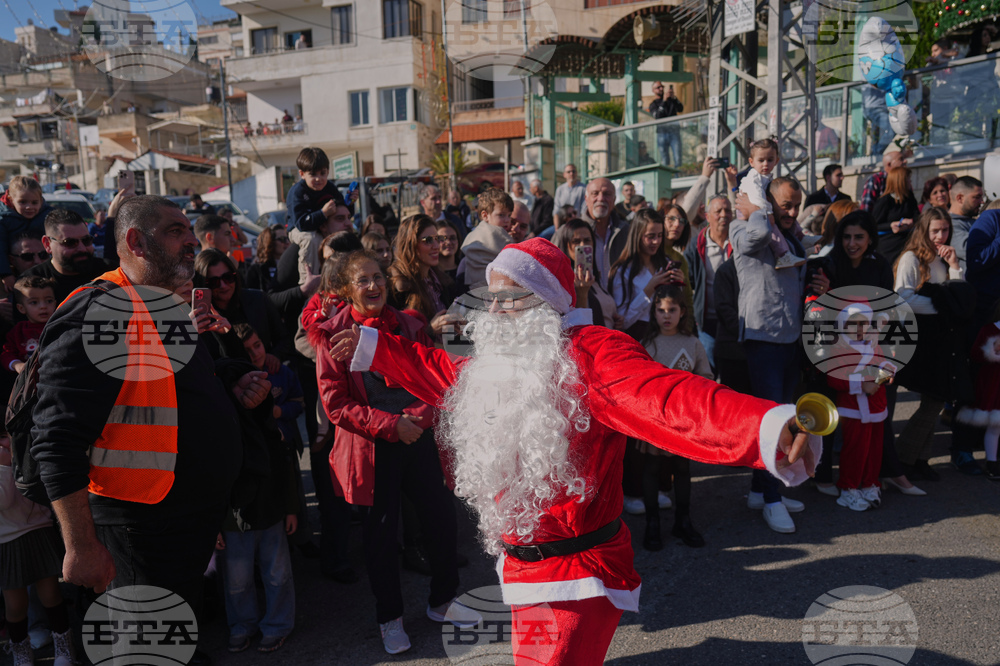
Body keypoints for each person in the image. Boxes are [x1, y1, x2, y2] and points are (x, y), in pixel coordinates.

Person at [326, 237, 818, 665]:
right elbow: (438, 371)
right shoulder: (496, 359)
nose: (493, 311)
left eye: (508, 298)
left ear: (545, 300)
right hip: (522, 568)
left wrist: (765, 426)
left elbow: (668, 399)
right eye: (489, 299)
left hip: (575, 577)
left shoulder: (591, 353)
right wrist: (373, 347)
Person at [31, 195, 270, 665]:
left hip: (182, 523)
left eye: (189, 230)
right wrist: (80, 545)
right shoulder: (98, 315)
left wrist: (232, 381)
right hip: (138, 531)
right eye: (176, 231)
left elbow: (181, 384)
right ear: (136, 241)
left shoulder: (161, 305)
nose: (191, 242)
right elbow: (56, 438)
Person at [315, 250, 474, 654]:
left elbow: (432, 376)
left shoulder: (409, 323)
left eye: (379, 277)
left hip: (417, 438)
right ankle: (390, 618)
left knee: (441, 521)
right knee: (381, 539)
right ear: (347, 289)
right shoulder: (332, 334)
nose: (374, 285)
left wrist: (417, 419)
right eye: (364, 280)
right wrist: (390, 426)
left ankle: (442, 600)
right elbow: (335, 404)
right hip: (373, 450)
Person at [732, 177, 828, 533]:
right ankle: (772, 500)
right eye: (785, 204)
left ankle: (762, 490)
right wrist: (758, 211)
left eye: (796, 204)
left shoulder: (788, 235)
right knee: (773, 425)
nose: (792, 211)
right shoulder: (743, 225)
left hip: (790, 339)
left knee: (785, 416)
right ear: (768, 203)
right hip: (763, 338)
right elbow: (755, 239)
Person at [218, 323, 299, 653]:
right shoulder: (220, 423)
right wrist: (215, 524)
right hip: (234, 518)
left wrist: (292, 507)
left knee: (277, 573)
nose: (255, 363)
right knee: (237, 581)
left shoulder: (268, 423)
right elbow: (214, 478)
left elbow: (285, 465)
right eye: (245, 358)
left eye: (257, 348)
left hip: (272, 510)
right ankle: (242, 624)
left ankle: (278, 624)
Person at [638, 284, 710, 550]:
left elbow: (707, 377)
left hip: (683, 420)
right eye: (660, 310)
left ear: (683, 312)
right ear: (653, 312)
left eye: (672, 309)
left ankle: (683, 521)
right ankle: (652, 524)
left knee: (682, 469)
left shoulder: (693, 343)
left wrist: (692, 390)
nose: (665, 315)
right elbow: (639, 381)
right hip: (655, 419)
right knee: (652, 468)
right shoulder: (648, 344)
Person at [893, 207, 963, 480]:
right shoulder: (912, 258)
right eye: (935, 230)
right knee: (933, 401)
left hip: (942, 337)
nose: (940, 235)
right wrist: (943, 306)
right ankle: (903, 458)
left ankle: (920, 460)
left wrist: (955, 267)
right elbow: (904, 299)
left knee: (934, 399)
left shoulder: (943, 258)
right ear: (924, 230)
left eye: (945, 230)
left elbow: (960, 295)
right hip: (921, 338)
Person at [0, 426, 75, 666]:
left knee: (51, 594)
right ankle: (22, 652)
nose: (3, 444)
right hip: (7, 540)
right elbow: (4, 501)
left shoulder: (29, 451)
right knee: (15, 604)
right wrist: (3, 467)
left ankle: (65, 648)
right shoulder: (3, 461)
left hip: (39, 531)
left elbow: (42, 492)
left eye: (5, 437)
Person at [826, 300, 892, 511]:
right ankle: (848, 488)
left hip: (876, 406)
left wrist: (882, 377)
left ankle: (870, 484)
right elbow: (834, 380)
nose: (860, 329)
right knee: (854, 450)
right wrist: (861, 385)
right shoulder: (838, 348)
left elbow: (885, 365)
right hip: (853, 408)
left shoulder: (874, 344)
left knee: (874, 450)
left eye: (864, 324)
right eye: (854, 324)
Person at [195, 249, 290, 366]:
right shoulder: (199, 317)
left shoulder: (258, 299)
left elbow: (284, 338)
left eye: (228, 277)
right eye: (214, 282)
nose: (223, 285)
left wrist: (275, 356)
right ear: (203, 284)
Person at [610, 208, 689, 339]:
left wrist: (678, 285)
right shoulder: (622, 271)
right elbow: (622, 322)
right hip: (639, 340)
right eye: (650, 236)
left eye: (659, 236)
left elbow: (677, 306)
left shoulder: (666, 263)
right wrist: (648, 290)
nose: (656, 242)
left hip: (668, 338)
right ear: (637, 236)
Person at [389, 214, 458, 341]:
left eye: (437, 238)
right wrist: (429, 330)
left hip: (447, 356)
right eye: (428, 240)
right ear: (411, 244)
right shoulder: (398, 287)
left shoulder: (442, 281)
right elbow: (397, 339)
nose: (436, 246)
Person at [739, 138, 805, 269]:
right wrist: (768, 212)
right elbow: (757, 197)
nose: (765, 164)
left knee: (788, 214)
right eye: (761, 160)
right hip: (752, 212)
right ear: (751, 162)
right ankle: (782, 255)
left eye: (770, 160)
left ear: (777, 161)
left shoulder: (767, 177)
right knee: (772, 228)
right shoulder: (753, 178)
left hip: (761, 209)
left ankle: (801, 238)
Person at [684, 194, 734, 366]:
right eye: (718, 211)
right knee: (708, 372)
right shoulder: (696, 245)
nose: (723, 215)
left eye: (727, 210)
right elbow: (686, 279)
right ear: (707, 216)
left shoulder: (739, 244)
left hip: (733, 322)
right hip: (705, 323)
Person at [286, 147, 350, 272]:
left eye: (322, 173)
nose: (318, 178)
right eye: (313, 174)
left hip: (319, 226)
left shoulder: (330, 187)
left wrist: (350, 201)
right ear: (302, 174)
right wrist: (323, 213)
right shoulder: (298, 192)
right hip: (298, 229)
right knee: (311, 239)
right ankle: (309, 279)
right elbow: (301, 224)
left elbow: (341, 209)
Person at [23, 209, 107, 304]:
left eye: (86, 240)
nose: (82, 248)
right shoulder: (29, 283)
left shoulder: (109, 273)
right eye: (70, 243)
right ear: (47, 244)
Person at [552, 219, 620, 330]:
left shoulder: (595, 279)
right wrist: (582, 294)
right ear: (567, 245)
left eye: (587, 240)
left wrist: (614, 320)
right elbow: (577, 326)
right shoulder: (563, 286)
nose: (582, 245)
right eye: (576, 241)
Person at [957, 311, 1000, 479]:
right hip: (994, 384)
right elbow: (975, 354)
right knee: (995, 425)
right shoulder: (989, 329)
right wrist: (992, 352)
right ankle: (991, 462)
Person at [0, 177, 53, 287]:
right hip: (13, 272)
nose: (29, 207)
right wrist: (5, 274)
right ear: (10, 199)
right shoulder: (3, 219)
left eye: (34, 202)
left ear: (41, 200)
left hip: (44, 268)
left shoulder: (48, 217)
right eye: (22, 202)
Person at [460, 189, 514, 288]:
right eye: (501, 215)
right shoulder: (500, 236)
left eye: (509, 215)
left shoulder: (472, 235)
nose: (507, 220)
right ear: (485, 215)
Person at [582, 177, 629, 290]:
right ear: (586, 199)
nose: (601, 198)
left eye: (607, 194)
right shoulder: (570, 233)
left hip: (621, 304)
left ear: (614, 200)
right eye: (595, 193)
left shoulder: (627, 231)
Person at [3, 276, 54, 374]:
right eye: (34, 302)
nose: (43, 306)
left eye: (49, 301)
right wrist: (17, 365)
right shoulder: (18, 331)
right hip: (30, 380)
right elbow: (7, 354)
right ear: (21, 308)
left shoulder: (60, 326)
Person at [872, 166, 919, 265]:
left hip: (907, 243)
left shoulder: (909, 197)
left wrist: (911, 222)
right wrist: (892, 224)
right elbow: (874, 225)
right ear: (900, 181)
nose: (910, 182)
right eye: (908, 179)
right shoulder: (884, 201)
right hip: (889, 247)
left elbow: (917, 216)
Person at [947, 175, 984, 270]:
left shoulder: (973, 220)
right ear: (960, 198)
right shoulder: (950, 224)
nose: (982, 201)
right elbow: (974, 252)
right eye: (977, 197)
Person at [649, 81, 683, 167]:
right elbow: (658, 116)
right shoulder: (653, 104)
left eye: (662, 87)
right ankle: (667, 179)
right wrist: (664, 101)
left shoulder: (671, 100)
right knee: (665, 159)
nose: (661, 89)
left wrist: (674, 98)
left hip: (674, 131)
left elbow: (680, 108)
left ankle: (677, 178)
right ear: (653, 90)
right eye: (658, 87)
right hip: (662, 133)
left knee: (677, 158)